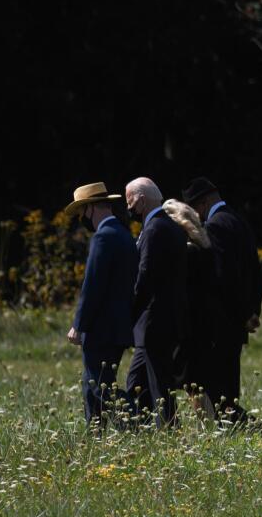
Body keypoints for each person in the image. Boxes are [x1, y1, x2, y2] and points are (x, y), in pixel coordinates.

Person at [180, 177, 262, 425]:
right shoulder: (238, 221)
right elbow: (254, 272)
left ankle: (248, 428)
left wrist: (239, 312)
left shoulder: (215, 226)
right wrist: (252, 311)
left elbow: (225, 277)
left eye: (194, 209)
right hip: (238, 318)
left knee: (216, 388)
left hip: (221, 320)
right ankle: (233, 429)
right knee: (227, 385)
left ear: (202, 204)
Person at [65, 182, 134, 428]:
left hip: (101, 328)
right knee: (90, 383)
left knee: (100, 385)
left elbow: (92, 286)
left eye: (82, 213)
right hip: (119, 327)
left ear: (92, 208)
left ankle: (138, 423)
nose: (82, 219)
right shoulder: (124, 234)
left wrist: (79, 325)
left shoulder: (103, 237)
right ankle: (95, 435)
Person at [124, 177, 187, 429]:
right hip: (163, 320)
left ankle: (168, 430)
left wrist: (129, 310)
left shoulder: (154, 229)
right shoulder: (171, 227)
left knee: (159, 383)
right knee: (137, 381)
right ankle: (143, 428)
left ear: (140, 199)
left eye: (129, 199)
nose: (128, 206)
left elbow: (145, 276)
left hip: (153, 321)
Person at [161, 198, 222, 422]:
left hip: (189, 325)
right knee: (197, 382)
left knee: (192, 384)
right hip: (204, 323)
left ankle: (208, 426)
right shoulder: (205, 247)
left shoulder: (187, 253)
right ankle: (210, 424)